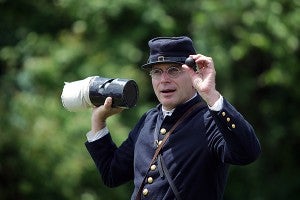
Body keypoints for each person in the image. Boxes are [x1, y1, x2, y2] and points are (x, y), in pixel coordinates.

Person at [85, 36, 261, 200]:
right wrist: (98, 121)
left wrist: (211, 95)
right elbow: (112, 174)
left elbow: (248, 153)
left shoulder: (211, 120)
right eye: (156, 72)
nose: (164, 80)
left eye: (173, 70)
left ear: (194, 73)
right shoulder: (148, 121)